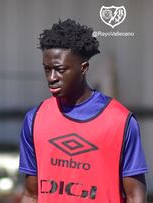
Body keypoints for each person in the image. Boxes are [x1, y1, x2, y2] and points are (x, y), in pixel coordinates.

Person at [19, 19, 148, 202]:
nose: (51, 77)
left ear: (83, 68)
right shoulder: (35, 119)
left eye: (60, 69)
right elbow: (31, 194)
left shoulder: (120, 121)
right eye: (47, 69)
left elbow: (135, 196)